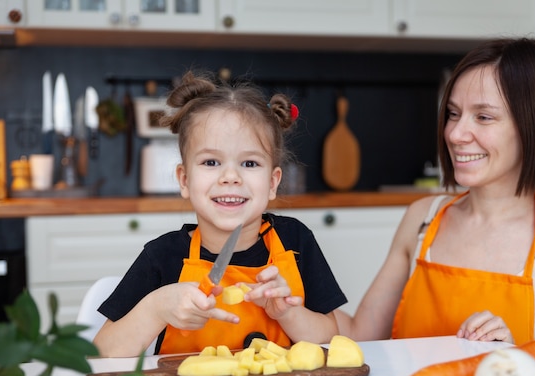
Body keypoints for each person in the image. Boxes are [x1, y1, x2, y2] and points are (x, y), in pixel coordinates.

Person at [336, 37, 535, 361]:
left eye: (483, 117)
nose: (455, 134)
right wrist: (287, 305)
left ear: (534, 126)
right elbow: (358, 337)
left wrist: (518, 360)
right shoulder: (422, 219)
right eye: (453, 114)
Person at [94, 71, 346, 357]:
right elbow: (101, 355)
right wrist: (156, 309)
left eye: (249, 163)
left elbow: (329, 337)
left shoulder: (295, 240)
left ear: (273, 182)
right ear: (185, 180)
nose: (230, 176)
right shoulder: (162, 257)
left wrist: (288, 313)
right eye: (211, 161)